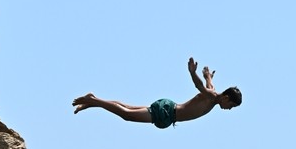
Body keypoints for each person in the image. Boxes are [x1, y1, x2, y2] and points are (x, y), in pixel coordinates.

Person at [72, 58, 242, 129]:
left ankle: (93, 102)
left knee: (127, 107)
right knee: (126, 115)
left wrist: (208, 76)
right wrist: (193, 73)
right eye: (231, 105)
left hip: (169, 110)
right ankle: (93, 100)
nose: (229, 109)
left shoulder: (214, 96)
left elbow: (208, 84)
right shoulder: (211, 97)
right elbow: (201, 87)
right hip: (167, 112)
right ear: (226, 98)